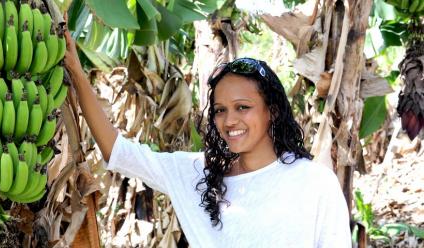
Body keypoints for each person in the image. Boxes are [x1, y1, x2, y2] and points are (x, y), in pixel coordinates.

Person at [63, 31, 351, 247]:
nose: (229, 121)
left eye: (243, 107)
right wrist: (76, 71)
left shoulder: (314, 183)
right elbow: (118, 151)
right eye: (220, 110)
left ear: (272, 111)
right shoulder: (199, 174)